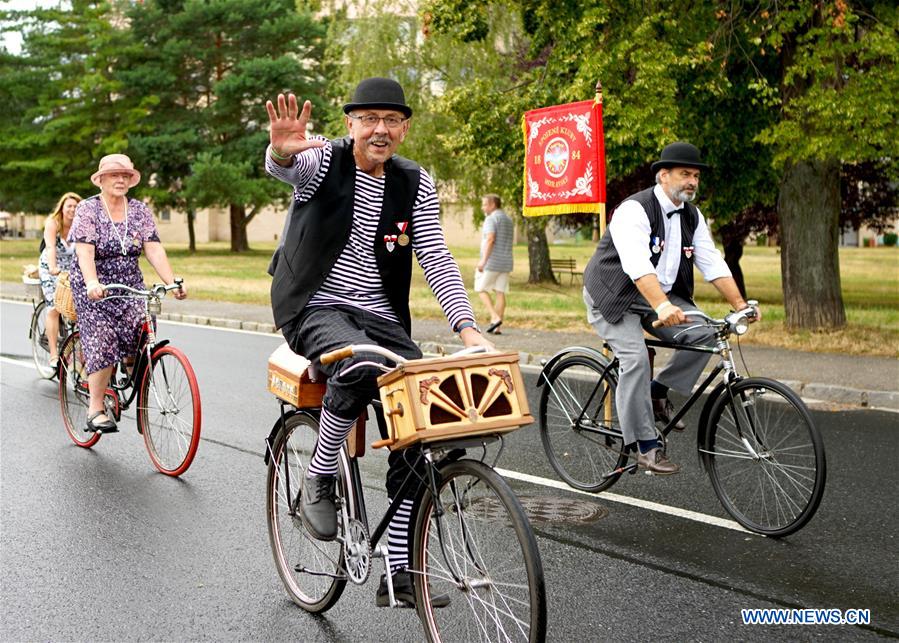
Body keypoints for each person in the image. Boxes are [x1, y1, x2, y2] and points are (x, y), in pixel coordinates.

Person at [265, 77, 492, 607]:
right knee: (361, 366)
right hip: (314, 306)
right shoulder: (324, 160)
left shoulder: (415, 181)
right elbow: (288, 165)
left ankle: (399, 572)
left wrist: (469, 331)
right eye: (368, 119)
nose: (380, 129)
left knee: (424, 411)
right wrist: (279, 150)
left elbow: (435, 257)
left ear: (405, 128)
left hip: (382, 316)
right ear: (350, 125)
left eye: (391, 120)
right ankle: (318, 480)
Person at [582, 142, 760, 474]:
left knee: (708, 333)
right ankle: (645, 446)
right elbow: (637, 265)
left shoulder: (692, 215)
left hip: (659, 295)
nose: (692, 181)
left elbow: (713, 263)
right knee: (634, 359)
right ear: (664, 175)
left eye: (695, 175)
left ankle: (657, 391)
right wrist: (662, 305)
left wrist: (740, 304)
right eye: (685, 174)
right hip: (614, 295)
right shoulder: (634, 210)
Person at [70, 154, 186, 434]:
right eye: (114, 175)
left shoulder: (139, 211)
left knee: (143, 325)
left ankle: (132, 365)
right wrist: (91, 283)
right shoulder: (88, 209)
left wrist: (173, 281)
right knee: (103, 337)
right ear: (101, 180)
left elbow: (153, 248)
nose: (120, 179)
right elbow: (84, 251)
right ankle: (95, 408)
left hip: (129, 282)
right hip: (94, 284)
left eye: (125, 175)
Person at [38, 192, 82, 367]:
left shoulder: (82, 225)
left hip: (72, 270)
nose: (72, 209)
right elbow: (50, 248)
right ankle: (54, 355)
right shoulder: (53, 223)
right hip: (51, 268)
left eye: (76, 206)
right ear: (62, 208)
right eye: (69, 206)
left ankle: (78, 353)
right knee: (54, 308)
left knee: (82, 309)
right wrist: (53, 268)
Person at [475, 193, 514, 334]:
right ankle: (496, 327)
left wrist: (483, 261)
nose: (483, 207)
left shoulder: (491, 219)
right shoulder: (508, 220)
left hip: (492, 262)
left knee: (480, 289)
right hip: (506, 262)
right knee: (500, 292)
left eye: (484, 204)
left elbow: (490, 239)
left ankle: (495, 317)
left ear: (492, 205)